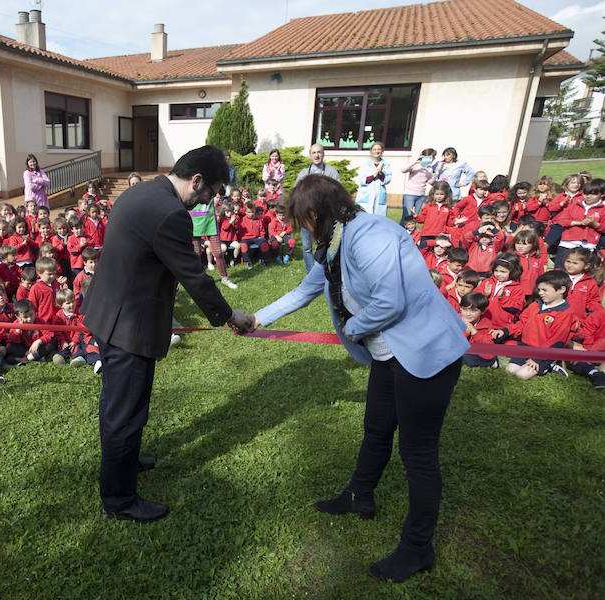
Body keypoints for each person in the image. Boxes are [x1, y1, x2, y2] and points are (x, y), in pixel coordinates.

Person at [252, 174, 467, 582]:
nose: (302, 229)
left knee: (418, 455)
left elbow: (390, 300)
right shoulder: (334, 243)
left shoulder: (370, 235)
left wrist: (355, 326)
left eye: (303, 220)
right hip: (389, 354)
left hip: (424, 353)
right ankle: (358, 495)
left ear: (316, 213)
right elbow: (304, 291)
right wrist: (257, 318)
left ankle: (418, 548)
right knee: (375, 430)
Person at [82, 145, 252, 523]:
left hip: (108, 313)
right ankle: (119, 498)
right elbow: (194, 277)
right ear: (196, 181)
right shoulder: (170, 213)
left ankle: (127, 459)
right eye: (211, 192)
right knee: (123, 413)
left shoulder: (141, 191)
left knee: (124, 403)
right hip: (128, 324)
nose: (209, 201)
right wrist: (229, 316)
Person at [295, 144, 340, 271]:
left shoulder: (331, 172)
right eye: (314, 152)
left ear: (323, 154)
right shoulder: (303, 173)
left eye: (319, 152)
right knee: (307, 247)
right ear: (310, 155)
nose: (317, 155)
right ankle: (311, 274)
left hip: (325, 217)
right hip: (307, 217)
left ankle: (323, 272)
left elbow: (338, 192)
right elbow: (295, 192)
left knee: (324, 245)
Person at [400, 148, 437, 225]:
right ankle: (401, 232)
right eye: (431, 157)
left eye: (433, 158)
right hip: (410, 193)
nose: (433, 159)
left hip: (421, 194)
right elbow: (403, 170)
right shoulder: (415, 165)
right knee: (406, 216)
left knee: (415, 217)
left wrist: (436, 173)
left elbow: (430, 182)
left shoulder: (429, 168)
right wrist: (415, 161)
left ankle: (412, 234)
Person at [355, 142, 392, 216]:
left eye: (379, 149)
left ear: (382, 151)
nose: (377, 151)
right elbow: (362, 180)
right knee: (364, 218)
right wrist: (374, 175)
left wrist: (381, 174)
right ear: (371, 151)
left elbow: (388, 179)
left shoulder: (386, 165)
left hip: (379, 196)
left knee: (378, 219)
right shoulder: (365, 164)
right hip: (365, 197)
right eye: (374, 149)